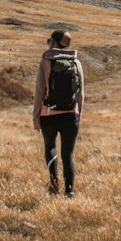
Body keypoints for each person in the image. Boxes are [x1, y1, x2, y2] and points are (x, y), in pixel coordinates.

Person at [33, 28, 84, 197]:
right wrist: (78, 114)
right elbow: (80, 94)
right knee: (68, 153)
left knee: (50, 147)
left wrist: (36, 117)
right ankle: (69, 191)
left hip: (49, 114)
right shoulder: (76, 63)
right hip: (70, 115)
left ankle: (54, 184)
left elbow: (40, 92)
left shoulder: (46, 62)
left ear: (53, 42)